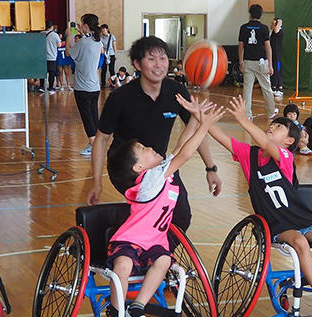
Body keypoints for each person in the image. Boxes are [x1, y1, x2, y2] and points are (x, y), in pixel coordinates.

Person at [187, 94, 312, 317]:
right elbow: (219, 135)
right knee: (300, 242)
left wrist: (244, 120)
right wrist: (198, 114)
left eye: (279, 127)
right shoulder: (249, 155)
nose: (272, 127)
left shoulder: (284, 156)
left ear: (289, 141)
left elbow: (264, 142)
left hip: (301, 216)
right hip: (276, 223)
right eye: (271, 125)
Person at [105, 98, 223, 317]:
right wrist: (205, 125)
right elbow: (186, 153)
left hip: (155, 241)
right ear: (139, 168)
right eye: (144, 150)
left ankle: (136, 307)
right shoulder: (149, 181)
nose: (150, 148)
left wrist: (196, 119)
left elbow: (180, 148)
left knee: (163, 262)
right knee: (123, 266)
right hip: (131, 240)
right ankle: (117, 316)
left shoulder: (159, 173)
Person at [86, 36, 222, 232]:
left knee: (181, 217)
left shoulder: (176, 91)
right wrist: (96, 183)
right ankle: (131, 249)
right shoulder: (121, 98)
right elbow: (101, 140)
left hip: (159, 164)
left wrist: (211, 169)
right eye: (151, 59)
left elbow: (195, 133)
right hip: (127, 169)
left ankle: (158, 257)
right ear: (137, 64)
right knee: (151, 213)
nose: (159, 65)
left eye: (163, 58)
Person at [66, 14, 103, 156]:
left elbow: (69, 53)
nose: (80, 27)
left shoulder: (83, 43)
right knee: (94, 116)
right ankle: (95, 143)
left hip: (83, 88)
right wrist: (81, 33)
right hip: (95, 86)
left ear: (86, 25)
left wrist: (70, 35)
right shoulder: (97, 41)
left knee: (87, 118)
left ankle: (94, 146)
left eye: (82, 24)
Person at [238, 4, 278, 120]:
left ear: (250, 14)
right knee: (266, 88)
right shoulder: (264, 28)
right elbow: (268, 47)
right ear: (261, 15)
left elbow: (241, 47)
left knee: (247, 89)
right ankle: (271, 112)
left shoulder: (243, 28)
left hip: (248, 62)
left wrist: (241, 62)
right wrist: (270, 65)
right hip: (261, 62)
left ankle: (247, 115)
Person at [39, 20, 61, 95]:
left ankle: (41, 87)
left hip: (42, 57)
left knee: (42, 73)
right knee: (51, 73)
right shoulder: (55, 35)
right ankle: (51, 88)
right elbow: (59, 45)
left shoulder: (41, 34)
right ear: (52, 27)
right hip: (52, 57)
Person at [100, 24, 117, 92]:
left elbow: (114, 46)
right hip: (103, 55)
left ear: (107, 29)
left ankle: (113, 84)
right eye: (102, 30)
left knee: (111, 69)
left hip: (111, 54)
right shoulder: (101, 37)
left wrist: (115, 54)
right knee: (103, 70)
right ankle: (103, 84)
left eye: (103, 29)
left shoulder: (112, 36)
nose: (102, 31)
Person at [270, 18, 284, 97]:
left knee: (278, 70)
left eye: (273, 24)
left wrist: (279, 22)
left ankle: (280, 88)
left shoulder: (279, 31)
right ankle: (273, 87)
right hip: (272, 56)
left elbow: (276, 30)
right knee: (273, 71)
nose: (271, 25)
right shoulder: (271, 32)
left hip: (277, 57)